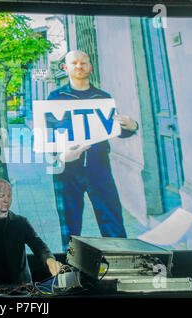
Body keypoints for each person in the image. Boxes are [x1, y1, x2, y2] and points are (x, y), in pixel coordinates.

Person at [47, 50, 139, 251]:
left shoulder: (103, 97)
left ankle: (121, 263)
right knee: (69, 228)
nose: (79, 66)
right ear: (66, 68)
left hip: (99, 168)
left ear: (90, 67)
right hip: (66, 170)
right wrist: (61, 156)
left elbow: (113, 129)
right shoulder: (55, 97)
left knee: (113, 221)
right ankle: (71, 272)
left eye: (83, 62)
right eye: (74, 63)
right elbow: (47, 134)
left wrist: (132, 126)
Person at [0, 178, 62, 287]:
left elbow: (38, 245)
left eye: (9, 196)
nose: (6, 200)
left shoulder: (20, 222)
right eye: (1, 196)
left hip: (20, 287)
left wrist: (50, 261)